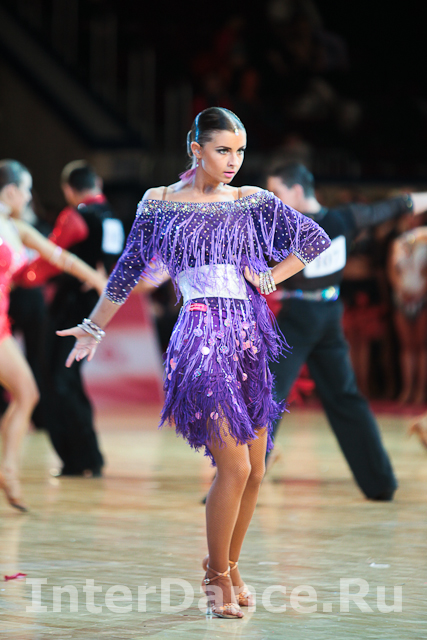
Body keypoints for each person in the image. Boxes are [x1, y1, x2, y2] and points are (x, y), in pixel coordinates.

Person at [58, 107, 331, 619]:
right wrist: (93, 326)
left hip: (249, 338)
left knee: (256, 469)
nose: (233, 161)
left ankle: (228, 564)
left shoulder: (251, 200)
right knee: (234, 466)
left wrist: (272, 276)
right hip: (200, 337)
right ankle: (217, 579)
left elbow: (314, 240)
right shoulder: (159, 203)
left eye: (240, 151)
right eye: (223, 150)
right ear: (196, 148)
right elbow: (128, 269)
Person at [266, 163, 427, 500]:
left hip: (302, 317)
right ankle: (380, 483)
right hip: (328, 315)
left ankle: (237, 482)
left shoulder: (291, 225)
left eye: (276, 192)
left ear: (297, 190)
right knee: (343, 398)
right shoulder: (343, 219)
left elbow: (394, 207)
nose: (272, 199)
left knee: (268, 396)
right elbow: (395, 206)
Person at [0, 159, 106, 511]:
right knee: (28, 392)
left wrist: (100, 282)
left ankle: (8, 471)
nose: (29, 197)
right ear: (11, 191)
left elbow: (62, 259)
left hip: (1, 326)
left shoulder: (16, 228)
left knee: (27, 394)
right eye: (26, 189)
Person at [17, 161, 125, 478]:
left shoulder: (74, 216)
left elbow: (52, 259)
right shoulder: (112, 218)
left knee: (56, 380)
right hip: (96, 307)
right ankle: (88, 457)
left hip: (69, 308)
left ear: (68, 189)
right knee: (68, 379)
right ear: (98, 183)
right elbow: (114, 265)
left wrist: (20, 276)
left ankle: (78, 459)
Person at [388, 227, 427, 404]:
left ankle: (420, 391)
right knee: (406, 346)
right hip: (402, 298)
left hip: (422, 297)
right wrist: (400, 291)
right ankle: (407, 389)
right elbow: (392, 270)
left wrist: (420, 294)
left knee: (421, 345)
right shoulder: (398, 242)